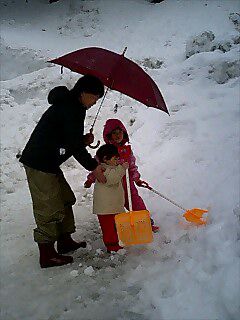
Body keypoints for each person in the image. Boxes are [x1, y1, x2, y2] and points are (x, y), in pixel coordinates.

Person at [19, 74, 106, 268]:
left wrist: (82, 140)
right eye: (94, 97)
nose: (94, 102)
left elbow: (68, 138)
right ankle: (47, 254)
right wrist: (94, 167)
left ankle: (65, 241)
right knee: (48, 207)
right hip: (39, 162)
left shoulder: (75, 107)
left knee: (64, 199)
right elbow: (73, 146)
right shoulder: (70, 108)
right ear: (83, 93)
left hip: (50, 161)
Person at [84, 118, 160, 232]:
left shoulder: (127, 150)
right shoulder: (105, 151)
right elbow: (97, 167)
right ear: (108, 135)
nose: (117, 135)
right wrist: (90, 179)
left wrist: (136, 179)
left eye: (120, 132)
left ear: (124, 133)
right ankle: (117, 227)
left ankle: (146, 223)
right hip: (112, 186)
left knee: (136, 203)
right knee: (115, 206)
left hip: (127, 183)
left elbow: (132, 166)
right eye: (114, 133)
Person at [93, 144, 128, 252]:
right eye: (115, 159)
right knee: (109, 229)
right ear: (105, 159)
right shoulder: (104, 170)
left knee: (115, 226)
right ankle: (112, 246)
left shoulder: (110, 168)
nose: (117, 161)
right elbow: (113, 179)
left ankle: (118, 241)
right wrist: (122, 168)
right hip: (106, 209)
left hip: (112, 206)